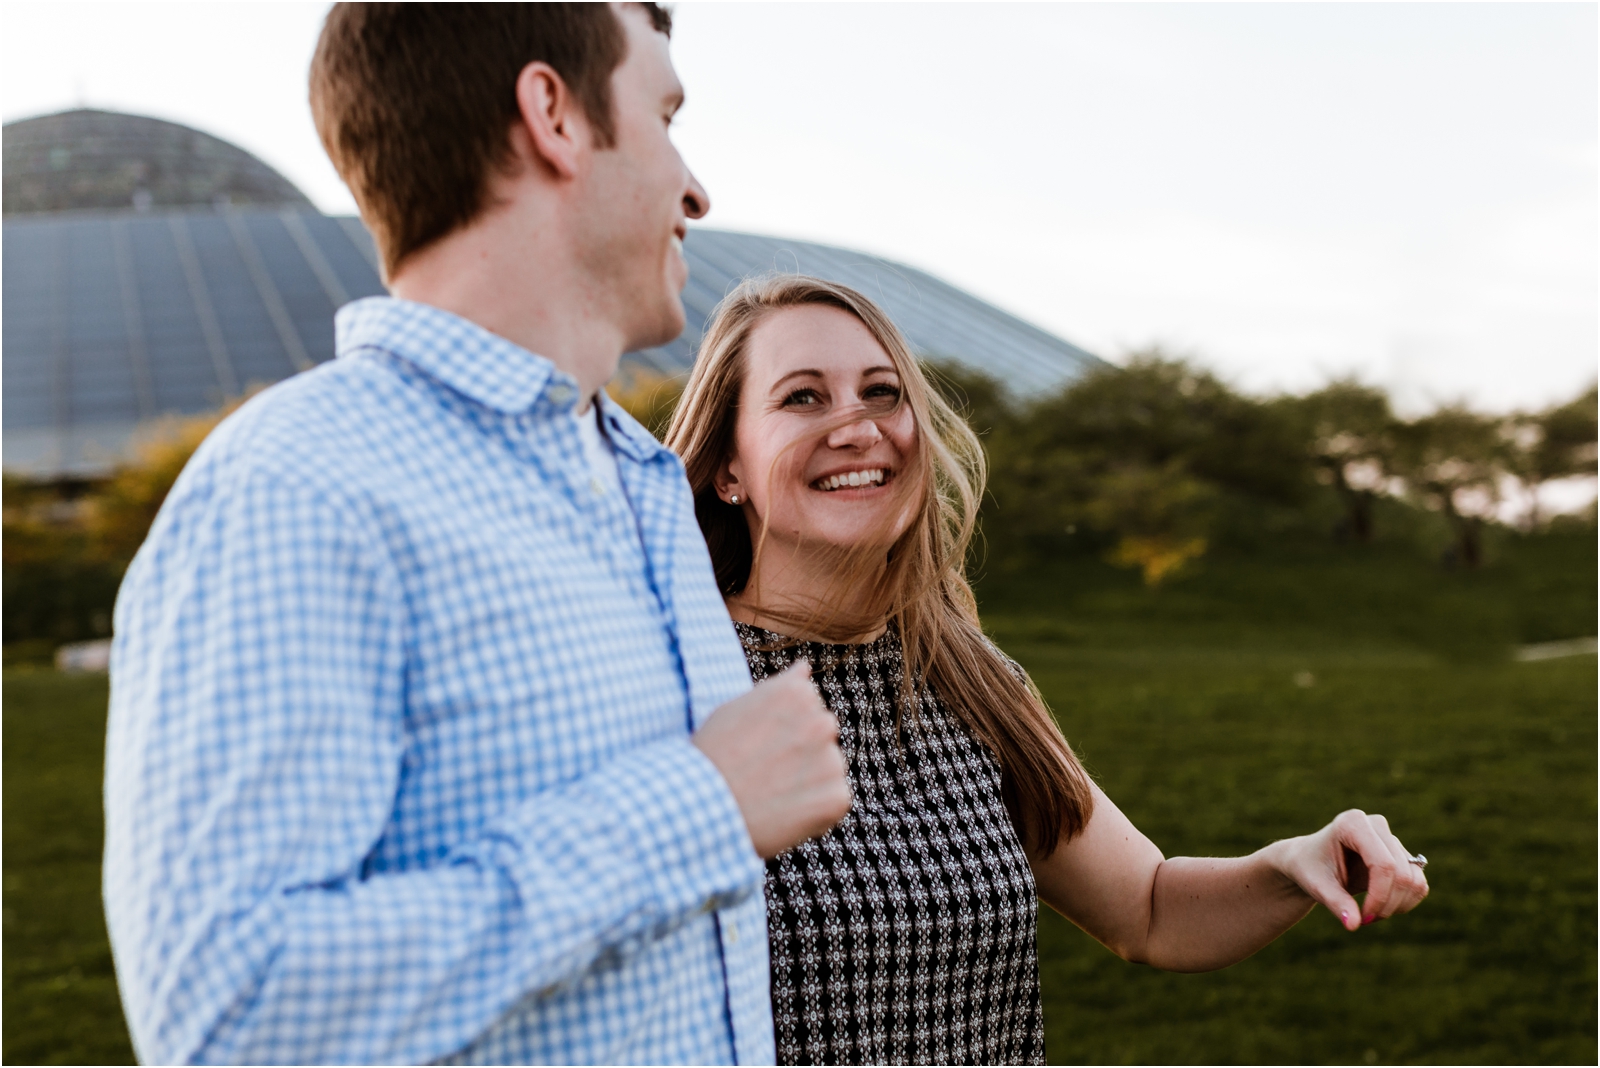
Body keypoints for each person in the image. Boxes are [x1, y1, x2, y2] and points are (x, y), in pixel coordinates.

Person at [102, 6, 852, 1064]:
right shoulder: (298, 487)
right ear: (552, 114)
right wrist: (696, 809)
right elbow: (232, 1017)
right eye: (664, 114)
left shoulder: (638, 483)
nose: (694, 190)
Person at [663, 275, 1431, 1066]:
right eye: (802, 398)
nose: (858, 427)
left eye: (883, 392)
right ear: (729, 468)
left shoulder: (972, 678)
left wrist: (1293, 864)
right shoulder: (671, 686)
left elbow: (1149, 909)